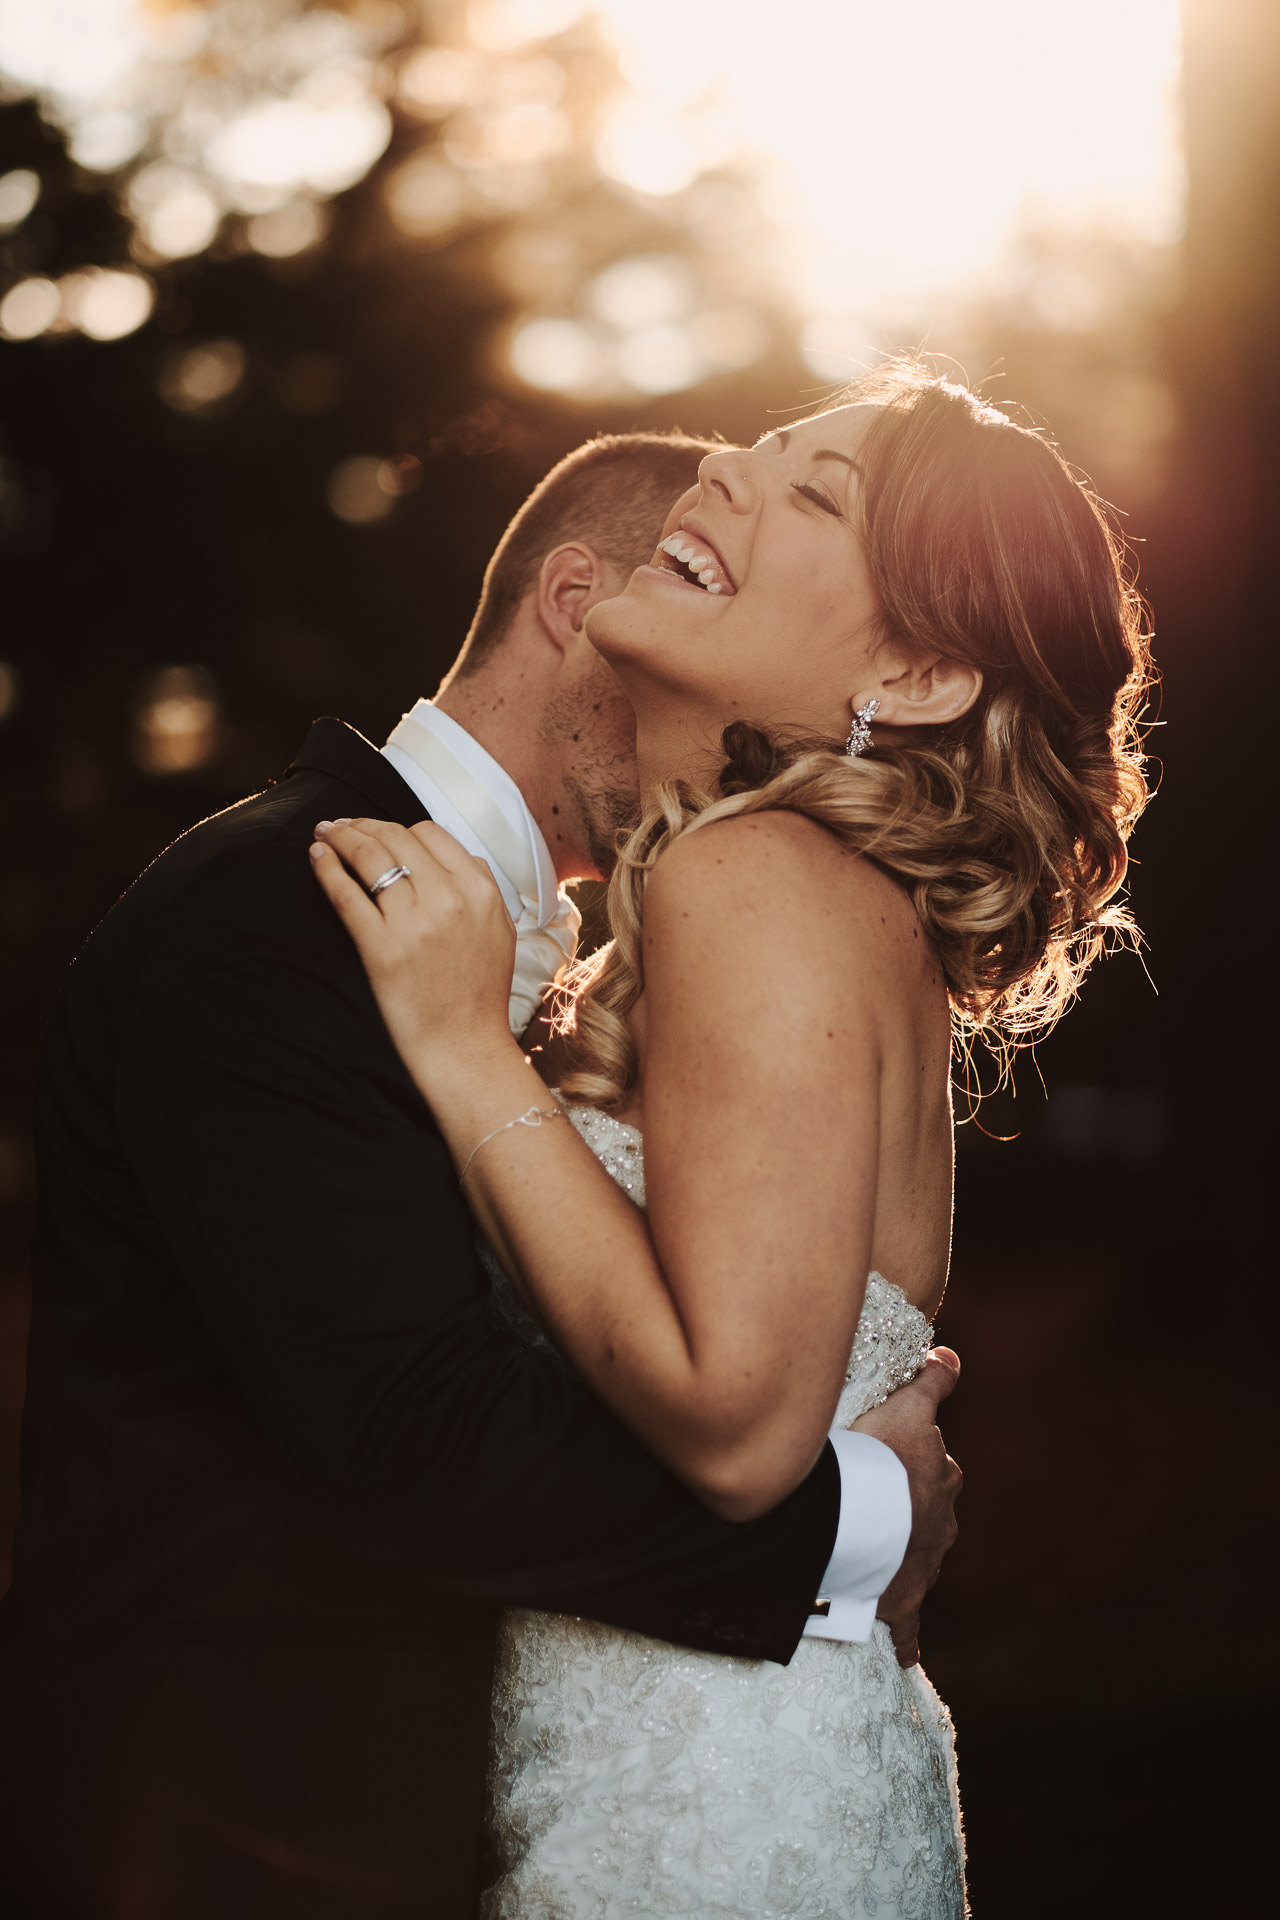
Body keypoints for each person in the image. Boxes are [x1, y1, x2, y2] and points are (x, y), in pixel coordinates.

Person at [0, 429, 963, 1919]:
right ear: (579, 602)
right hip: (224, 1832)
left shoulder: (647, 953)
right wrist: (856, 1523)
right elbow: (413, 1437)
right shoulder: (277, 912)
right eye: (677, 594)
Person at [310, 363, 1153, 1917]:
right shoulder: (802, 900)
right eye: (764, 450)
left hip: (700, 1831)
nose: (726, 479)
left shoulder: (753, 876)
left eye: (813, 492)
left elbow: (738, 1425)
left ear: (915, 672)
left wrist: (454, 1048)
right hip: (741, 1774)